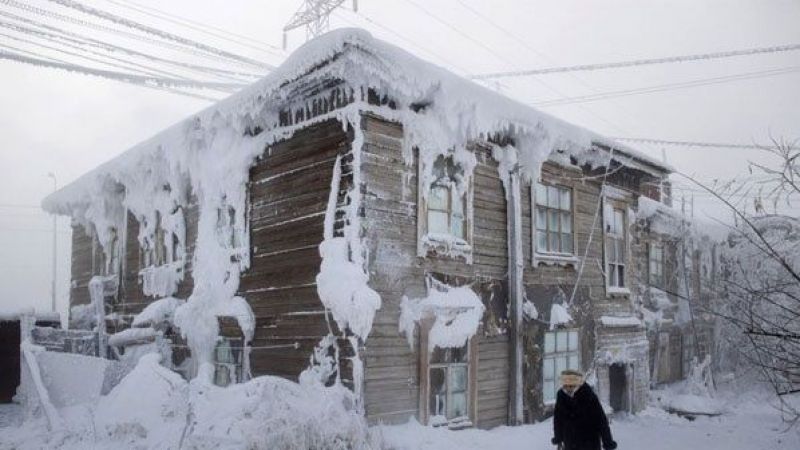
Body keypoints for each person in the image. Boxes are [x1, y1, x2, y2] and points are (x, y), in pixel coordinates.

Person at [551, 369, 617, 450]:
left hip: (589, 442)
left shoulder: (588, 395)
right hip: (570, 443)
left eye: (571, 386)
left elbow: (601, 420)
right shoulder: (561, 395)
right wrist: (558, 438)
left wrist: (607, 442)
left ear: (578, 384)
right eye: (565, 385)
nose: (568, 389)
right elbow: (558, 419)